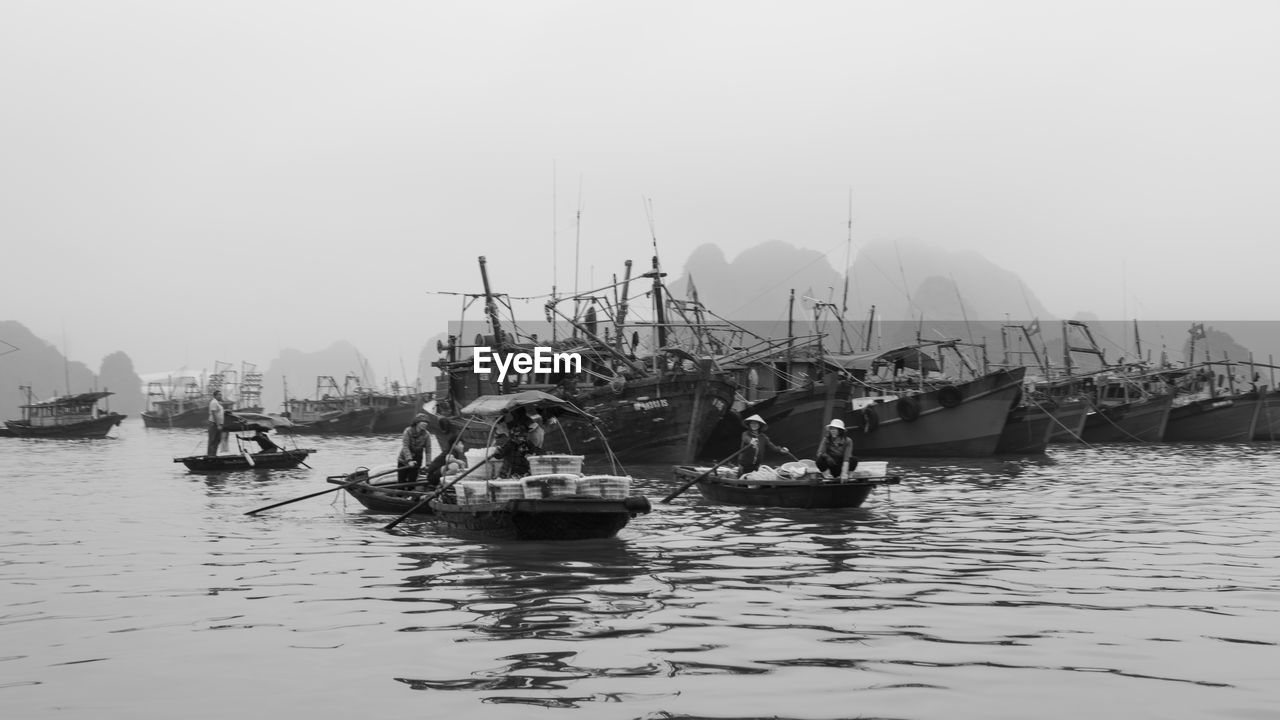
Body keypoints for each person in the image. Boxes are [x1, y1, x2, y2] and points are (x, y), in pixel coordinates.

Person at [397, 413, 432, 484]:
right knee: (401, 482)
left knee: (412, 481)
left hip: (417, 459)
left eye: (426, 422)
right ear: (417, 423)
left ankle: (410, 493)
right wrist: (409, 460)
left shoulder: (426, 434)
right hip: (404, 460)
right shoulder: (408, 431)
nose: (425, 424)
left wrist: (428, 464)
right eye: (423, 422)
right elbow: (405, 446)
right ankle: (400, 494)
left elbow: (428, 450)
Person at [206, 390, 224, 457]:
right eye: (219, 394)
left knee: (217, 440)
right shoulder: (213, 402)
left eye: (221, 394)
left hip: (217, 424)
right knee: (212, 440)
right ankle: (210, 455)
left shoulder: (218, 403)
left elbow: (219, 413)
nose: (220, 396)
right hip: (214, 424)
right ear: (215, 396)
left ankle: (214, 454)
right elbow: (214, 414)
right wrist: (218, 424)